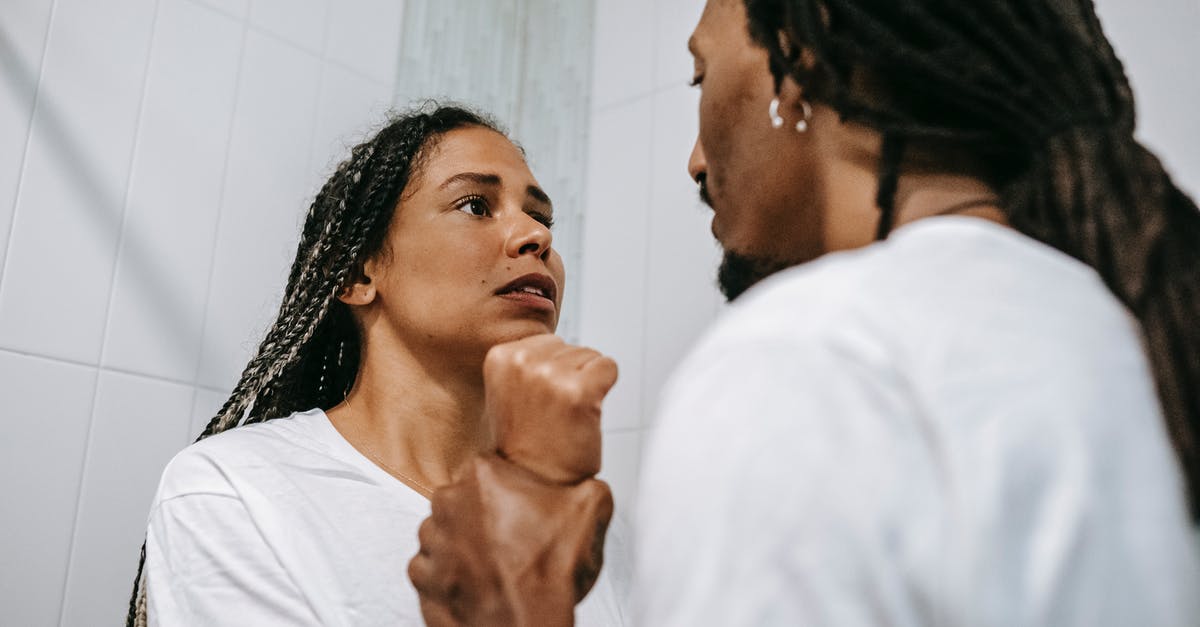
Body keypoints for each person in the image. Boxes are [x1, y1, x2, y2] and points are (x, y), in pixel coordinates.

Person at [407, 0, 1200, 625]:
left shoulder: (811, 359)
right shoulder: (1134, 328)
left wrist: (509, 606)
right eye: (476, 205)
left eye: (700, 76)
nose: (693, 158)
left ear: (801, 61)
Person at [125, 105, 630, 626]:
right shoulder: (235, 493)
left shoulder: (587, 526)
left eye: (541, 218)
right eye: (476, 205)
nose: (536, 237)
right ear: (358, 273)